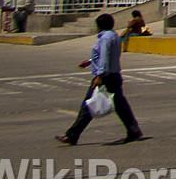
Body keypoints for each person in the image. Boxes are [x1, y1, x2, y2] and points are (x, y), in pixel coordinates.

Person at [59, 12, 143, 146]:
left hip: (105, 76)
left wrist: (99, 75)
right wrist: (90, 61)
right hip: (114, 75)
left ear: (99, 26)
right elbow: (107, 55)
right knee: (120, 105)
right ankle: (133, 130)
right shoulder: (114, 36)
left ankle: (72, 135)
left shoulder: (104, 38)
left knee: (88, 105)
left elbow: (104, 57)